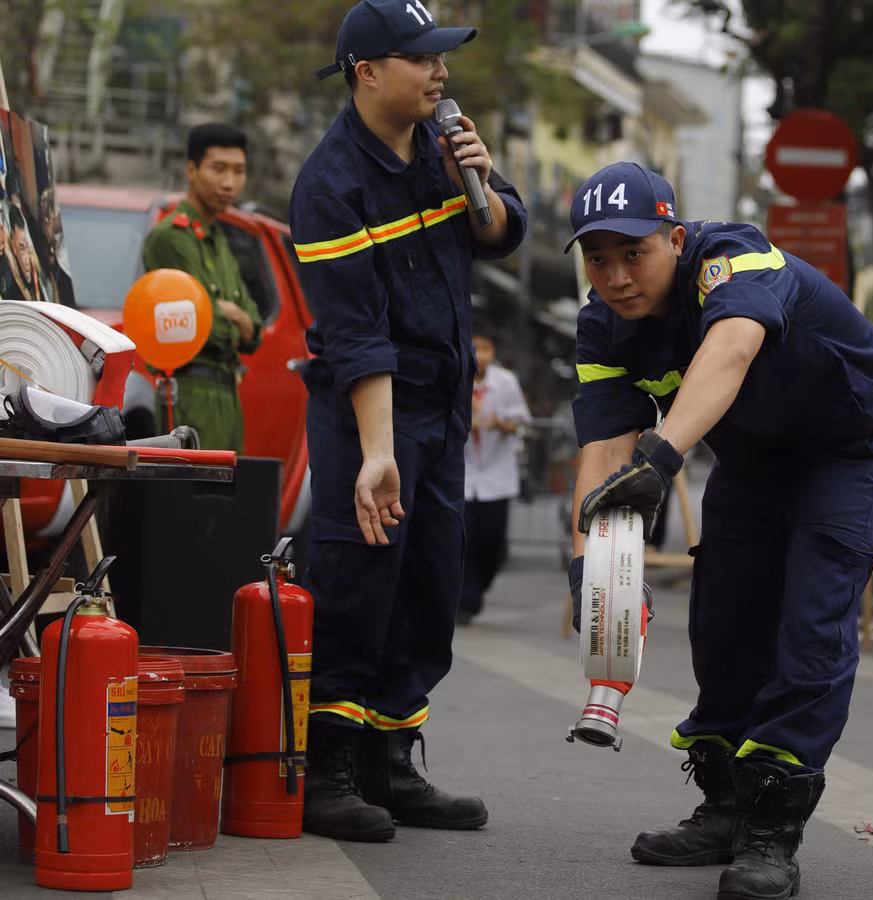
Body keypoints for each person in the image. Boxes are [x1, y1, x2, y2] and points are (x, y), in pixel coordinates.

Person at [565, 162, 873, 899]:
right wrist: (588, 568)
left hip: (846, 443)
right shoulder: (602, 325)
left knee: (810, 623)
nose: (618, 275)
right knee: (721, 621)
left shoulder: (733, 258)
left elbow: (730, 350)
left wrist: (661, 458)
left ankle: (770, 831)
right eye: (598, 258)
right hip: (756, 454)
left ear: (676, 238)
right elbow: (600, 451)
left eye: (635, 252)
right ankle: (725, 808)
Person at [288, 0, 526, 843]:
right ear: (368, 73)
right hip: (369, 415)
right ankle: (328, 773)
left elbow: (500, 235)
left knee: (430, 583)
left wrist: (482, 183)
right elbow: (356, 336)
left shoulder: (439, 148)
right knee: (359, 583)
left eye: (443, 57)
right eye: (423, 58)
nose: (441, 73)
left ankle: (392, 761)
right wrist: (378, 455)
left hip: (441, 404)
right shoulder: (330, 185)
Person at [142, 123, 263, 451]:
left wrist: (233, 313)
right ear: (191, 170)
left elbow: (255, 327)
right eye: (218, 169)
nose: (229, 182)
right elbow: (194, 324)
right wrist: (229, 318)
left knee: (225, 498)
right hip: (189, 392)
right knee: (190, 498)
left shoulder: (218, 239)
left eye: (239, 171)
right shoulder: (171, 237)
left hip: (227, 393)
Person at [458, 331, 531, 625]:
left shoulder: (505, 382)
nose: (480, 354)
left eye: (486, 348)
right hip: (463, 477)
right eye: (475, 347)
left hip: (497, 477)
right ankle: (465, 601)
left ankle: (480, 586)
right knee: (464, 541)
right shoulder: (456, 377)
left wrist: (499, 423)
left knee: (491, 541)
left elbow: (522, 422)